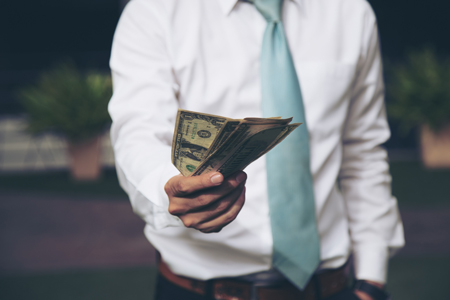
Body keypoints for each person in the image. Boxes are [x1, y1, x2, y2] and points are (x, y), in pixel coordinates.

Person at [108, 0, 405, 299]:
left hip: (332, 287)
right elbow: (138, 134)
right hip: (200, 288)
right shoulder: (154, 9)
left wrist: (371, 280)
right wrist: (174, 192)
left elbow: (363, 148)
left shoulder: (350, 10)